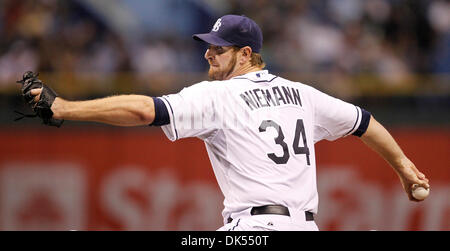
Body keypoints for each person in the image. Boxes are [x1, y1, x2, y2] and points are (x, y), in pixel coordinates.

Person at [20, 15, 429, 231]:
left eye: (218, 49)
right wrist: (405, 169)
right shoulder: (304, 94)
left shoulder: (219, 95)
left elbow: (146, 110)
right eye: (208, 48)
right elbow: (364, 122)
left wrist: (66, 108)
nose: (208, 56)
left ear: (246, 53)